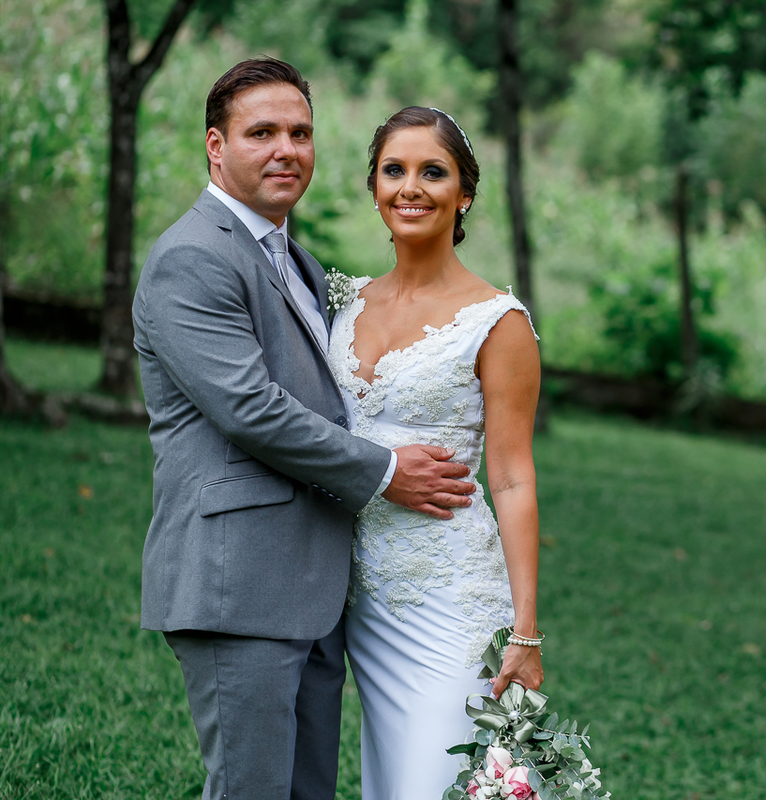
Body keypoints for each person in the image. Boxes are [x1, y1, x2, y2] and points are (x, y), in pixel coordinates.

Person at [132, 60, 478, 800]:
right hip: (239, 582)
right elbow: (250, 408)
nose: (286, 149)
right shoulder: (192, 258)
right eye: (262, 133)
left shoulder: (298, 261)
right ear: (216, 146)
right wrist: (387, 470)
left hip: (311, 587)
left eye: (300, 132)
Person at [327, 107, 543, 799]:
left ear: (464, 193)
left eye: (433, 172)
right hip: (358, 597)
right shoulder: (343, 303)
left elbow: (513, 479)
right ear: (374, 187)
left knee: (436, 781)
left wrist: (526, 632)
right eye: (394, 170)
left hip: (448, 597)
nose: (411, 187)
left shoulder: (497, 322)